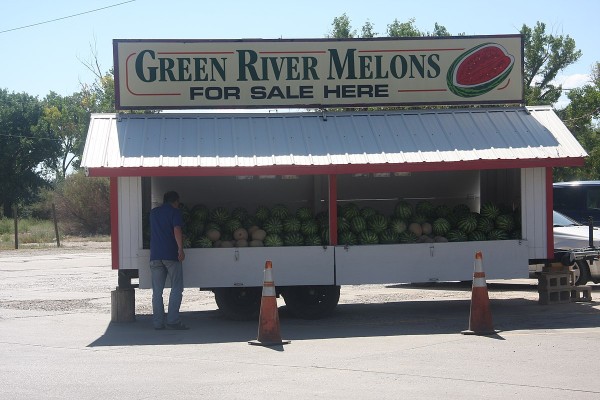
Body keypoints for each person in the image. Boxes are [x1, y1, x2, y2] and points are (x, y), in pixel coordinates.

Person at [149, 191, 189, 330]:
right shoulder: (175, 212)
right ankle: (173, 321)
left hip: (155, 256)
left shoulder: (153, 213)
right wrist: (180, 249)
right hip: (171, 255)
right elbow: (177, 230)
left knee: (157, 292)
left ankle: (158, 323)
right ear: (176, 201)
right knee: (176, 288)